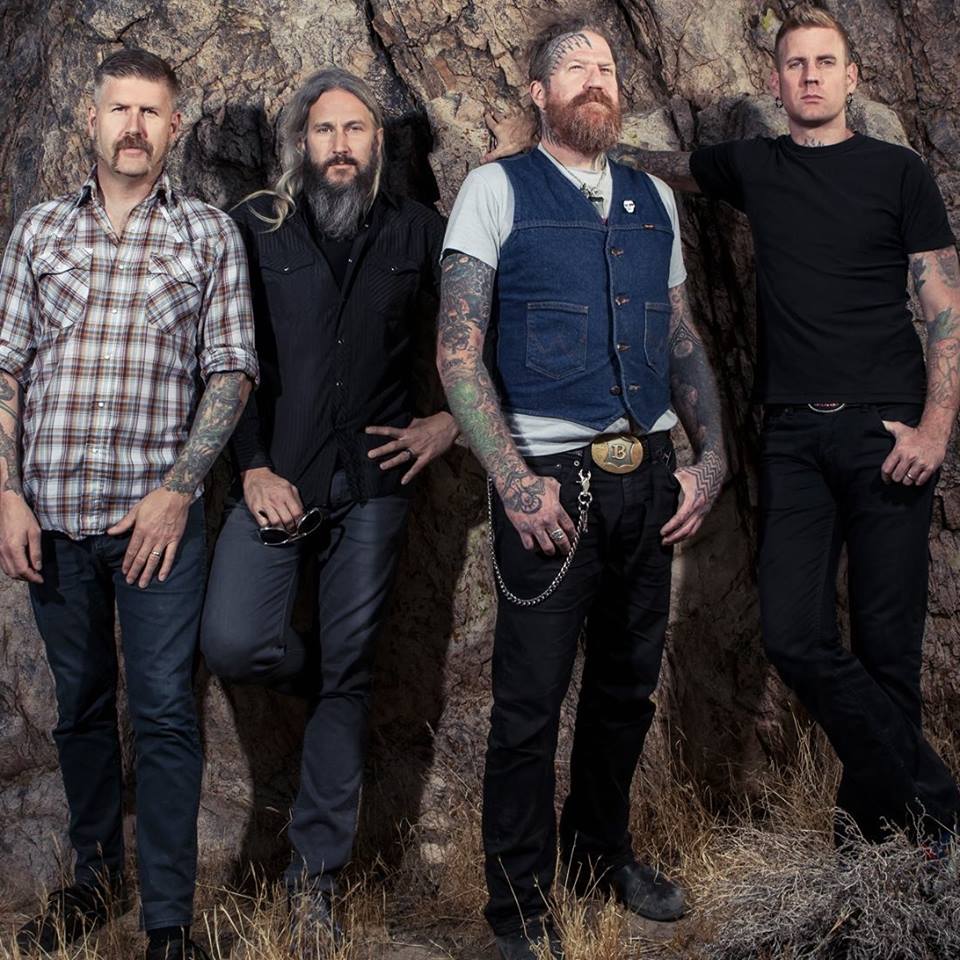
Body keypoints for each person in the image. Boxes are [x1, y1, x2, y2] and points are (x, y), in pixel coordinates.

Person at [488, 4, 960, 850]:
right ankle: (938, 801)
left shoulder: (900, 174)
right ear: (776, 82)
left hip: (888, 433)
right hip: (792, 438)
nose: (811, 76)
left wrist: (935, 430)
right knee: (794, 635)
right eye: (796, 64)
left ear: (852, 77)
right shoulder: (755, 165)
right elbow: (641, 162)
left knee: (888, 649)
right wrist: (544, 145)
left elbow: (944, 313)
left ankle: (876, 840)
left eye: (826, 62)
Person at [437, 19, 727, 959]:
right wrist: (515, 483)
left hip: (650, 477)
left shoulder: (653, 199)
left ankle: (600, 857)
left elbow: (679, 337)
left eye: (606, 67)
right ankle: (518, 910)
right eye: (575, 67)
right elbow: (457, 356)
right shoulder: (494, 190)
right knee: (527, 709)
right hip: (548, 489)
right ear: (538, 93)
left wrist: (711, 456)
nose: (596, 80)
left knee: (626, 691)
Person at [0, 49, 258, 960]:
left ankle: (167, 923)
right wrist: (6, 494)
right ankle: (94, 880)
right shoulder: (40, 230)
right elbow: (6, 369)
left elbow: (231, 372)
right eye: (120, 109)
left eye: (152, 112)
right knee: (79, 708)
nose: (135, 127)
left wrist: (178, 492)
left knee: (163, 713)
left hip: (157, 528)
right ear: (93, 117)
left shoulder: (207, 234)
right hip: (51, 519)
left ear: (174, 127)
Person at [199, 68, 457, 950]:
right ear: (299, 143)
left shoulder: (418, 231)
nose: (340, 145)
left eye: (356, 130)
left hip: (376, 487)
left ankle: (313, 882)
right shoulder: (254, 229)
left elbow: (480, 332)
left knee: (351, 675)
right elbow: (226, 361)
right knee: (235, 640)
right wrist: (252, 468)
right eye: (324, 130)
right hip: (280, 480)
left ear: (377, 143)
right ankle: (331, 681)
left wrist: (448, 422)